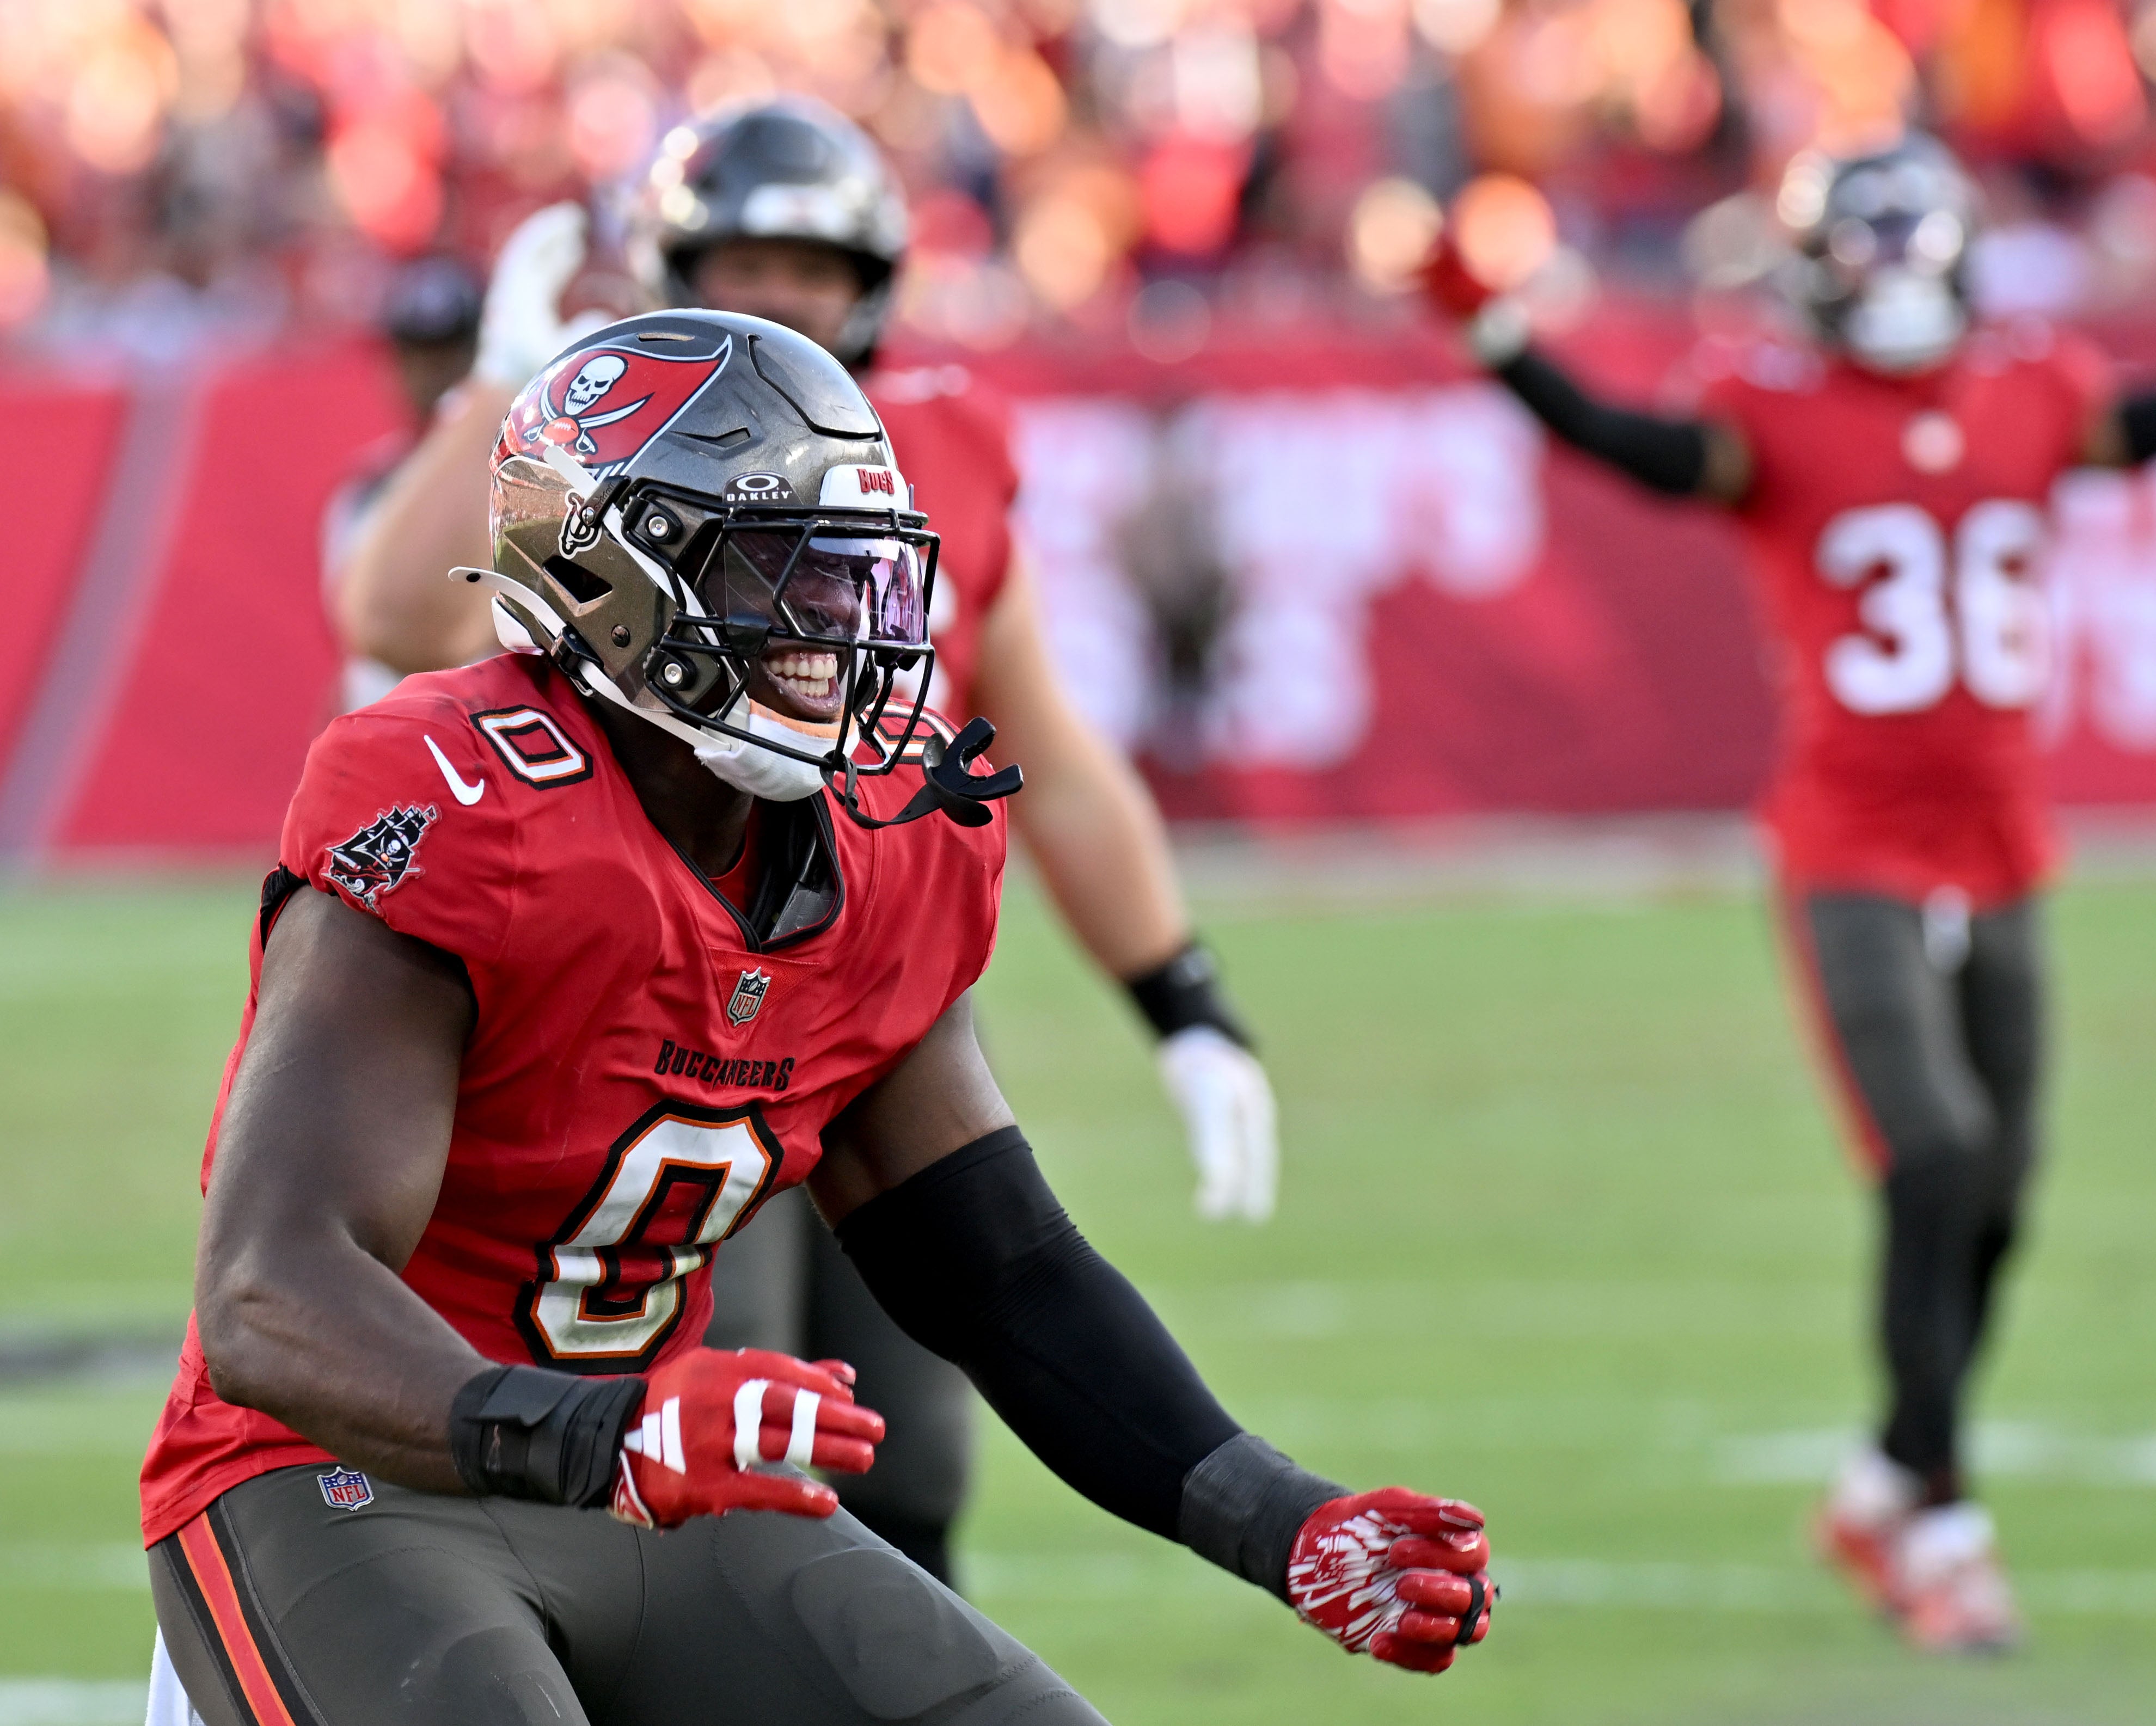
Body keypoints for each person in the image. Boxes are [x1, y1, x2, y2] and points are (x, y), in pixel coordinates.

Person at [138, 310, 1494, 1726]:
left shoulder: (888, 845)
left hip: (657, 1482)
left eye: (851, 574)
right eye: (776, 564)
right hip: (347, 1479)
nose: (834, 621)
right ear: (610, 572)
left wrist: (1275, 1520)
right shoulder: (472, 811)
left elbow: (999, 1269)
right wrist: (603, 1433)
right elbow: (267, 1291)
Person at [1422, 133, 2156, 1653]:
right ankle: (1940, 1523)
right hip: (1847, 846)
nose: (1885, 280)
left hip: (2000, 845)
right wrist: (1490, 332)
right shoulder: (1771, 406)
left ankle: (1882, 1478)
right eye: (1861, 252)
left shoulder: (2033, 391)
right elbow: (1631, 446)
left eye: (1903, 248)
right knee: (1934, 1153)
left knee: (2002, 1188)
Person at [327, 98, 1274, 1589]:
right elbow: (390, 615)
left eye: (812, 266)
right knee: (733, 1447)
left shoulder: (944, 442)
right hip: (650, 1001)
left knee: (917, 1447)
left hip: (866, 979)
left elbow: (1054, 761)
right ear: (667, 259)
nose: (776, 296)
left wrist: (1180, 995)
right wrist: (520, 380)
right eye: (742, 257)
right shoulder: (610, 440)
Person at [320, 256, 482, 714]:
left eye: (452, 353)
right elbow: (362, 643)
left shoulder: (523, 482)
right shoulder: (366, 491)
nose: (436, 374)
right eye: (418, 356)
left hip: (488, 737)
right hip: (390, 732)